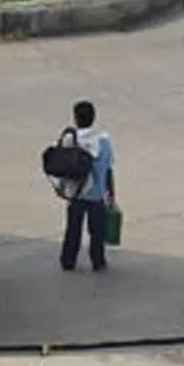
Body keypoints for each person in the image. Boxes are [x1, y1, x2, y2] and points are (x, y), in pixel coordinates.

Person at [58, 100, 115, 272]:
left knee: (73, 229)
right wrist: (111, 192)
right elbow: (108, 168)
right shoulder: (104, 140)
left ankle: (68, 260)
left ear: (75, 119)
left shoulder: (71, 139)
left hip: (76, 192)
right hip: (96, 193)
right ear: (94, 117)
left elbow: (61, 165)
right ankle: (98, 261)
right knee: (97, 231)